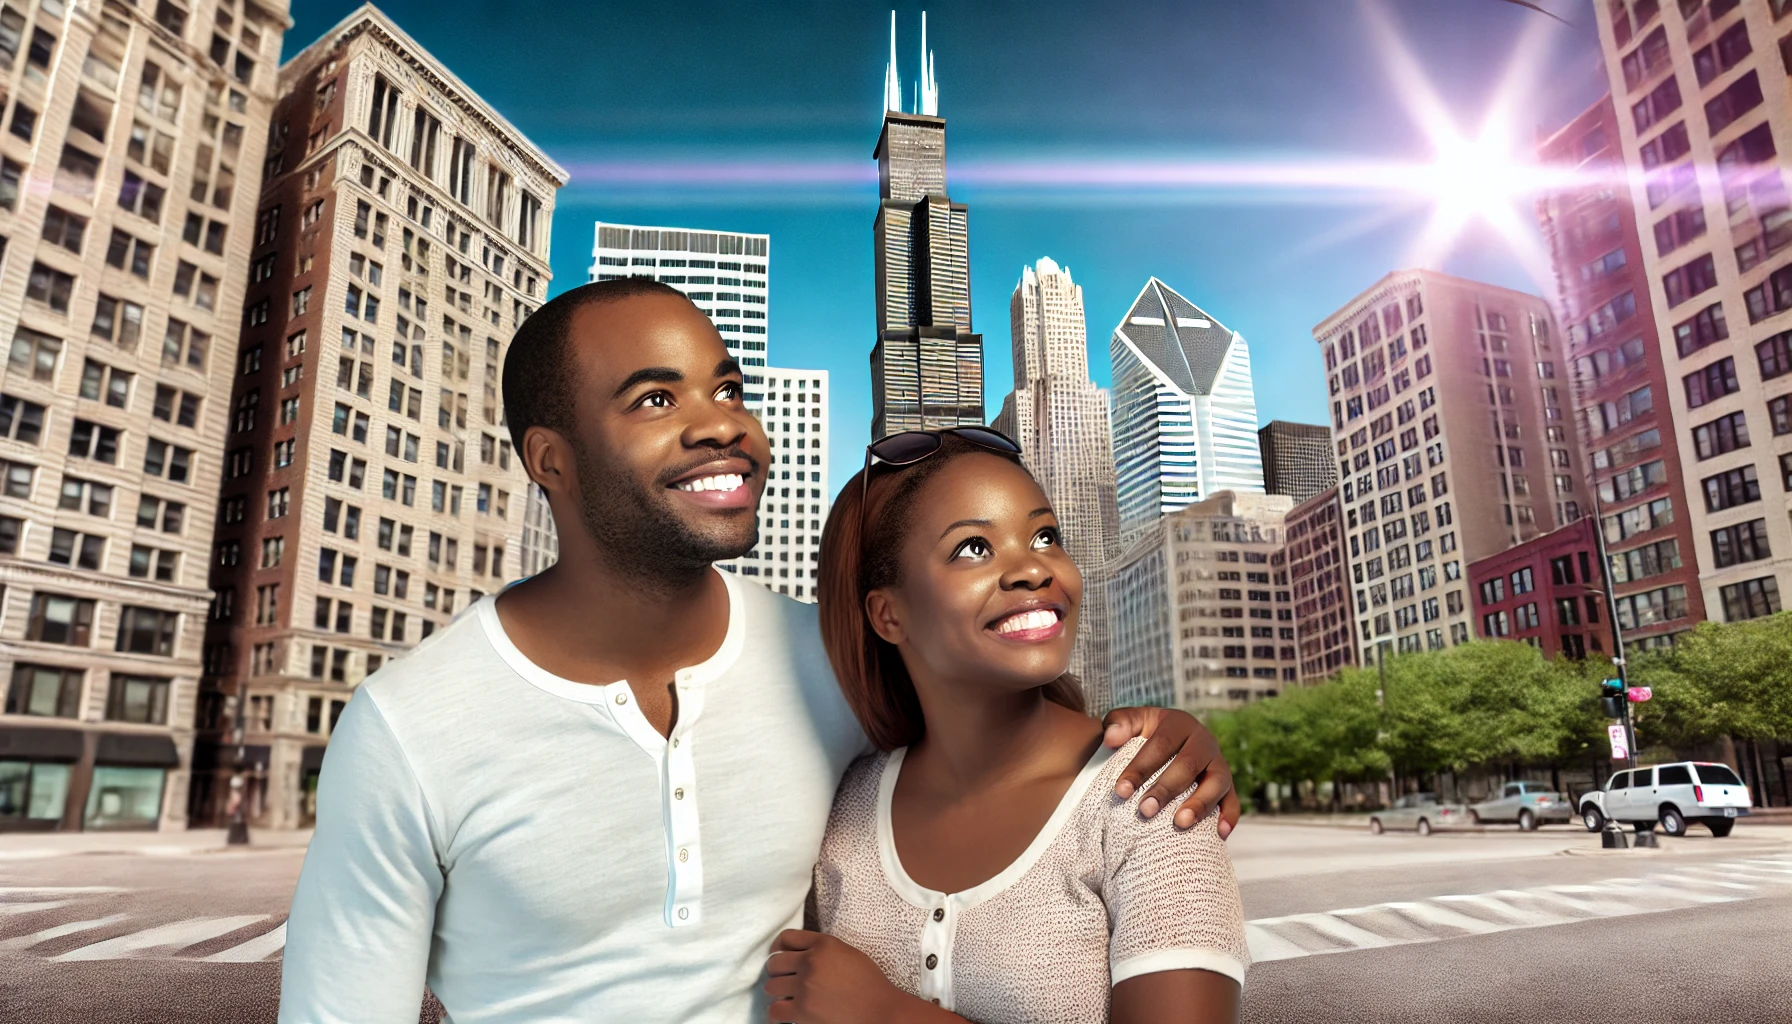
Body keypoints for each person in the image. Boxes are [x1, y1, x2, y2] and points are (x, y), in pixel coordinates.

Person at [278, 280, 1239, 1023]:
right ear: (551, 461)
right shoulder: (407, 726)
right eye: (656, 398)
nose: (725, 423)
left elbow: (995, 725)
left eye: (728, 386)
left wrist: (1166, 737)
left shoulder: (825, 662)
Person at [765, 430, 1248, 1023]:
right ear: (888, 614)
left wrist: (886, 1015)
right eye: (973, 548)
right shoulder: (840, 812)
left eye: (1045, 536)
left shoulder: (1150, 795)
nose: (1032, 569)